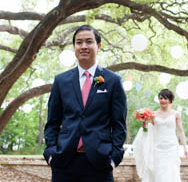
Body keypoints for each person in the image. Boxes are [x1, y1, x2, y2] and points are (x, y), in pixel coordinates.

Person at [44, 25, 127, 182]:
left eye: (89, 42)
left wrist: (114, 158)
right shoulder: (61, 81)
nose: (83, 46)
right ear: (74, 47)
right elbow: (52, 122)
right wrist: (51, 153)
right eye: (78, 42)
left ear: (98, 46)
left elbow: (119, 124)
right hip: (64, 162)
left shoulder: (113, 81)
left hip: (100, 163)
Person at [133, 88, 188, 182]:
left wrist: (185, 147)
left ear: (170, 100)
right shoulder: (153, 114)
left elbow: (181, 131)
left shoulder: (176, 114)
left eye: (165, 98)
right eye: (161, 98)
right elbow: (148, 130)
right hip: (158, 147)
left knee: (171, 171)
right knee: (158, 171)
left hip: (172, 147)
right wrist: (144, 123)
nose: (163, 100)